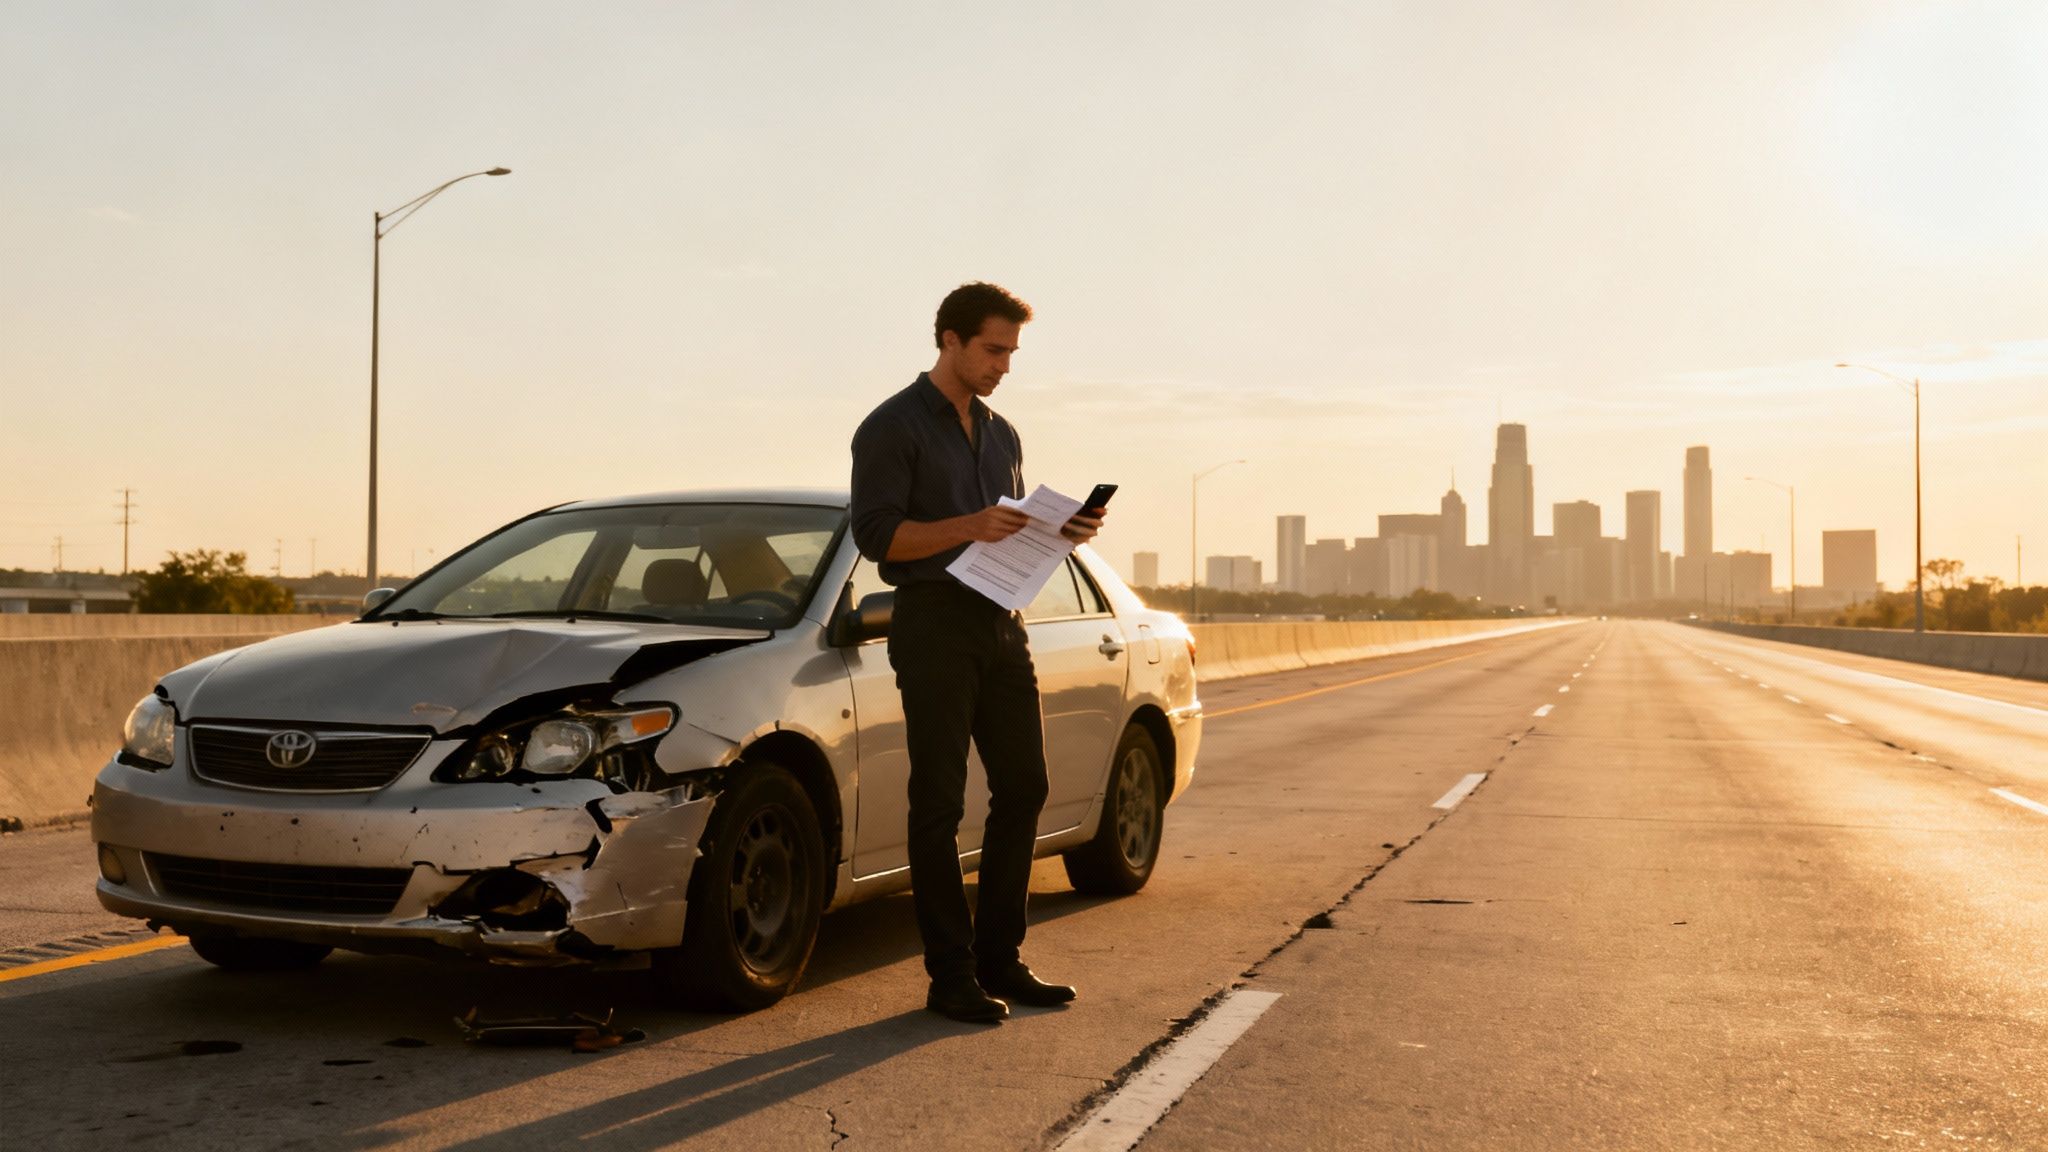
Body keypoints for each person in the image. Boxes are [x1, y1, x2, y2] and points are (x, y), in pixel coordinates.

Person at [848, 282, 1105, 1023]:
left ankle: (1002, 958)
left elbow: (1007, 529)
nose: (1004, 365)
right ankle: (949, 975)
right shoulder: (890, 427)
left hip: (1001, 621)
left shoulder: (1002, 433)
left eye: (1012, 353)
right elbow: (877, 537)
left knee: (1024, 786)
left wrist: (1060, 532)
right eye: (994, 350)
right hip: (931, 623)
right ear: (950, 341)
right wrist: (967, 525)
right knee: (937, 800)